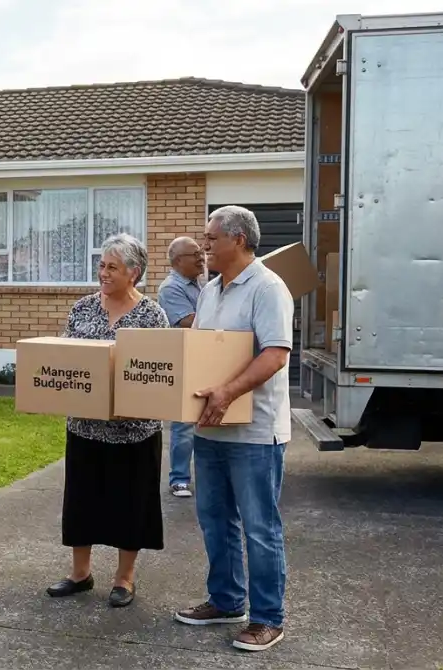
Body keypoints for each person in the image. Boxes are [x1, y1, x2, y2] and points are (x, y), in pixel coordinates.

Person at [173, 205, 294, 653]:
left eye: (211, 239)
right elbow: (202, 351)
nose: (204, 247)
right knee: (214, 519)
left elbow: (275, 354)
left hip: (255, 432)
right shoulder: (210, 290)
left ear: (239, 240)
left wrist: (227, 391)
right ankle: (226, 601)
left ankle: (267, 618)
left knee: (260, 527)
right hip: (210, 429)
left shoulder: (268, 288)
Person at [45, 232, 169, 608]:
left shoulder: (152, 315)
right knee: (81, 501)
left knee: (131, 503)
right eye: (101, 265)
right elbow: (67, 357)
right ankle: (80, 574)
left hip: (134, 432)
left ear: (134, 272)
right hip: (85, 426)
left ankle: (124, 578)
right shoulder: (82, 308)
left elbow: (161, 370)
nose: (103, 273)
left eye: (112, 267)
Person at [157, 236, 206, 498]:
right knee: (185, 423)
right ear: (177, 261)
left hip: (204, 359)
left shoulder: (201, 284)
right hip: (185, 362)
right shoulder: (171, 288)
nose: (201, 257)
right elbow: (189, 321)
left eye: (201, 252)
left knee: (205, 422)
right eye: (194, 254)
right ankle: (179, 479)